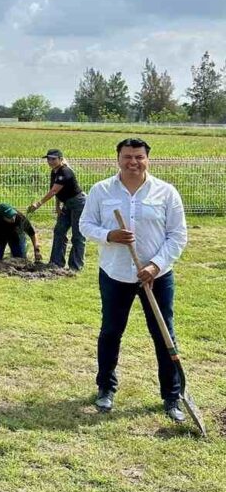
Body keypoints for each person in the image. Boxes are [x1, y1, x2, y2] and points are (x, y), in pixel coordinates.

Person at [80, 138, 188, 422]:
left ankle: (172, 396)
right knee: (111, 332)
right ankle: (105, 388)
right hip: (115, 273)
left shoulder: (165, 192)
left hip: (156, 277)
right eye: (127, 156)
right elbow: (85, 225)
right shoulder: (101, 190)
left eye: (138, 157)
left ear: (147, 159)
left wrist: (155, 265)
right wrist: (109, 235)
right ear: (118, 158)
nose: (133, 162)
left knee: (163, 334)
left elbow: (177, 235)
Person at [27, 149, 86, 271]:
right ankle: (56, 263)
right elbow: (57, 192)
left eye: (53, 159)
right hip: (67, 204)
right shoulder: (54, 172)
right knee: (59, 231)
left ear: (60, 159)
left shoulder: (65, 172)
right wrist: (57, 207)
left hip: (78, 204)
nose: (50, 161)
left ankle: (75, 267)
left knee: (77, 235)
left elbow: (53, 191)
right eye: (48, 159)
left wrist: (38, 204)